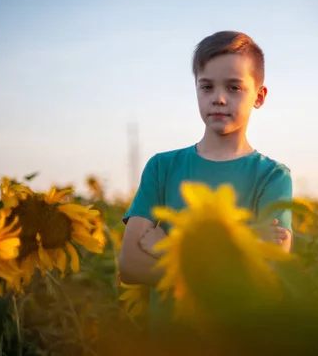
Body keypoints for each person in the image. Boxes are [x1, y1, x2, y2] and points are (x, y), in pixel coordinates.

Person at [117, 30, 293, 338]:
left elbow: (266, 274)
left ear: (259, 97)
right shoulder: (162, 167)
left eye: (234, 87)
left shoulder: (272, 176)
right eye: (207, 86)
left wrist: (171, 248)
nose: (219, 98)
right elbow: (130, 266)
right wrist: (239, 247)